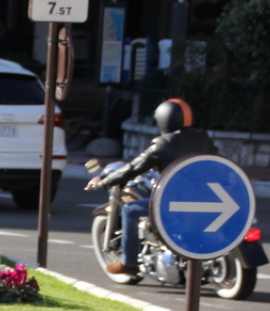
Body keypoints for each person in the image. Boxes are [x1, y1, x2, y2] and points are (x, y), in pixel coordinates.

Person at [85, 98, 217, 275]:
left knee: (130, 210)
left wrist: (104, 181)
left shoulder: (163, 144)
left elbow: (134, 167)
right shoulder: (202, 137)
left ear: (163, 119)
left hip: (175, 202)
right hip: (206, 198)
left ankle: (128, 262)